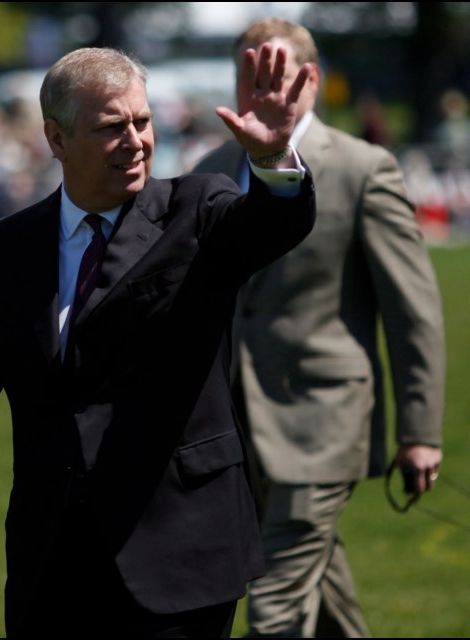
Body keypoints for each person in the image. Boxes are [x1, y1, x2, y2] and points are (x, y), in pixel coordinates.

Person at [0, 44, 316, 637]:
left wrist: (276, 159)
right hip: (52, 562)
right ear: (55, 138)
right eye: (111, 127)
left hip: (181, 553)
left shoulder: (198, 210)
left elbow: (272, 225)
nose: (135, 141)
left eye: (143, 121)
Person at [192, 17, 445, 638]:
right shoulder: (212, 166)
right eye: (249, 75)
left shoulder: (364, 168)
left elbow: (413, 310)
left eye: (276, 74)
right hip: (235, 429)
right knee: (322, 593)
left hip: (323, 423)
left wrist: (420, 431)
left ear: (311, 78)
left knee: (274, 607)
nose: (262, 90)